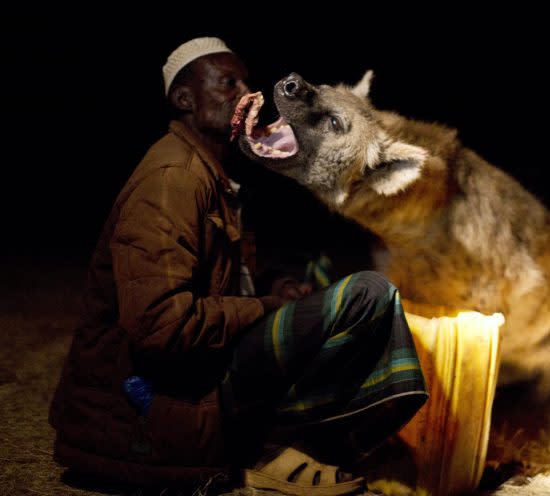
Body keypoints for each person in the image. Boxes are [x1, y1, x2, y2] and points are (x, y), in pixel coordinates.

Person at [49, 36, 428, 495]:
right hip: (153, 408)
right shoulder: (172, 180)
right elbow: (161, 327)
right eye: (228, 83)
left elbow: (218, 280)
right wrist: (266, 306)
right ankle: (281, 449)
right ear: (184, 99)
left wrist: (274, 287)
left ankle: (293, 442)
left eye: (246, 80)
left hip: (194, 375)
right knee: (367, 293)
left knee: (317, 273)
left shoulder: (208, 172)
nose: (248, 93)